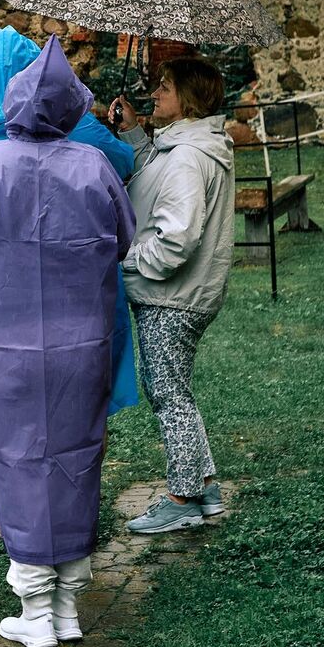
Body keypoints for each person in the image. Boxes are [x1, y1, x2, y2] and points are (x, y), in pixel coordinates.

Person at [0, 37, 135, 647]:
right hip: (82, 344)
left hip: (4, 346)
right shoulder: (95, 164)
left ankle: (35, 609)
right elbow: (124, 237)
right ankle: (69, 605)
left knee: (14, 456)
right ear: (69, 106)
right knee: (78, 454)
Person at [0, 27, 140, 414]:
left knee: (10, 393)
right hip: (81, 283)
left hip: (4, 287)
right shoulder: (83, 137)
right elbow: (124, 179)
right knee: (87, 388)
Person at [105, 55, 236, 534]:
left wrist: (128, 259)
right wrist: (136, 134)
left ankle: (182, 498)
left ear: (188, 100)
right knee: (176, 391)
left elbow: (177, 238)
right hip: (185, 293)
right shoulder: (188, 145)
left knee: (169, 395)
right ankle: (203, 485)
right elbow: (152, 176)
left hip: (172, 295)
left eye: (165, 87)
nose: (156, 93)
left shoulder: (186, 156)